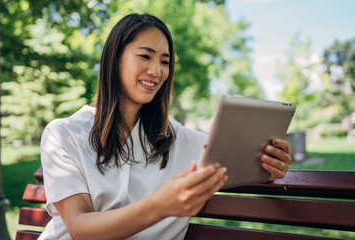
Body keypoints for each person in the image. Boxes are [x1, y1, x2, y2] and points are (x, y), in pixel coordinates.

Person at [39, 13, 292, 240]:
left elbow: (245, 159)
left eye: (165, 61)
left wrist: (271, 162)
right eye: (145, 56)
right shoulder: (63, 134)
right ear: (115, 59)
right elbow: (80, 228)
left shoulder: (178, 139)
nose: (156, 70)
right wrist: (159, 206)